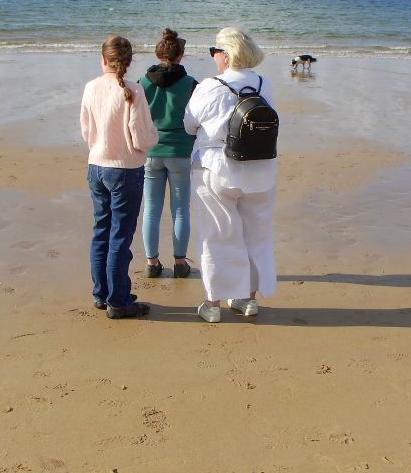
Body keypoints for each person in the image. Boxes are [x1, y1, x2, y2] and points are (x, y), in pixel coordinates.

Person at [184, 27, 278, 323]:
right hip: (261, 169)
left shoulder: (211, 86)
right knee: (255, 235)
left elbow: (189, 123)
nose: (213, 57)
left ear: (225, 55)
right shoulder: (264, 83)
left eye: (214, 52)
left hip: (216, 169)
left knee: (217, 235)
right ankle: (247, 299)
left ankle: (213, 304)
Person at [80, 35, 158, 319]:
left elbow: (86, 132)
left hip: (97, 165)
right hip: (125, 169)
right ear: (127, 62)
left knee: (101, 231)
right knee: (119, 238)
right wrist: (154, 137)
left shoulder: (91, 87)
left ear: (103, 60)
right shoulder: (134, 91)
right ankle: (119, 301)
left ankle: (102, 294)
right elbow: (141, 138)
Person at [139, 28, 198, 279]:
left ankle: (152, 263)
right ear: (181, 56)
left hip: (152, 150)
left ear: (158, 53)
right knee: (181, 209)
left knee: (151, 209)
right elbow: (196, 117)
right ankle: (180, 262)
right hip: (180, 150)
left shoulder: (142, 82)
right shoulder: (190, 83)